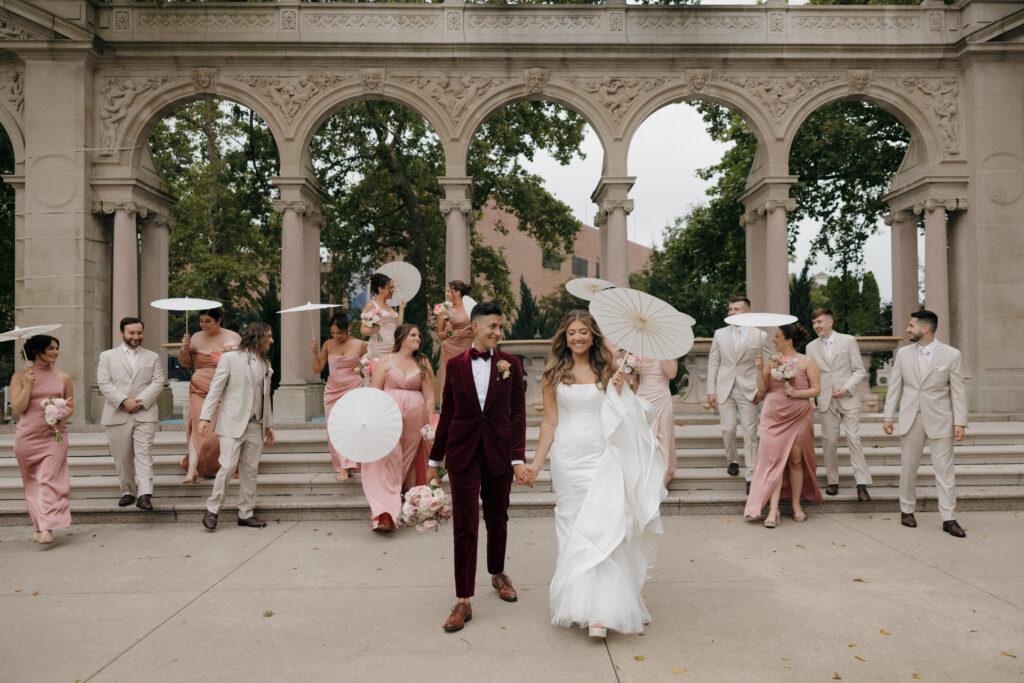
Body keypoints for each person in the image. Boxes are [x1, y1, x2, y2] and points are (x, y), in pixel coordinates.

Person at [526, 310, 665, 638]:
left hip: (602, 456)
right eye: (572, 332)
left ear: (593, 336)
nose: (577, 337)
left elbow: (630, 415)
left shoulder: (609, 371)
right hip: (567, 458)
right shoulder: (553, 373)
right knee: (572, 524)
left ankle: (603, 611)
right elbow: (550, 421)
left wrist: (620, 390)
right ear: (564, 337)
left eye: (583, 332)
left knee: (604, 526)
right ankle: (579, 604)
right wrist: (536, 462)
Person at [426, 302, 530, 633]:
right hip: (463, 453)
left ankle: (498, 573)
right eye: (493, 326)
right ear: (474, 328)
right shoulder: (455, 365)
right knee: (465, 525)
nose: (499, 332)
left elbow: (518, 414)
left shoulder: (511, 364)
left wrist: (517, 458)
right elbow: (447, 413)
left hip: (499, 453)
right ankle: (463, 600)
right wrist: (434, 461)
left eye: (500, 326)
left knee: (498, 517)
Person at [883, 310, 968, 537]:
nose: (908, 329)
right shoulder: (903, 354)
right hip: (911, 419)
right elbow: (895, 386)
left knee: (945, 471)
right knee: (908, 468)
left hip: (941, 419)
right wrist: (888, 416)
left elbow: (958, 390)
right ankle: (906, 510)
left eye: (911, 326)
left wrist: (960, 422)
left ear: (925, 328)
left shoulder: (951, 355)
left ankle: (948, 518)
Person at [198, 322, 275, 532]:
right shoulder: (230, 359)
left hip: (256, 424)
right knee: (228, 466)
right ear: (258, 337)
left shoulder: (265, 363)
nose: (271, 340)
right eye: (268, 336)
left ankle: (246, 513)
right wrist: (204, 418)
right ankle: (212, 510)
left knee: (250, 470)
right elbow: (215, 389)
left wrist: (268, 425)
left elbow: (265, 397)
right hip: (232, 422)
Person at [744, 324, 822, 527]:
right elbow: (763, 390)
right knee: (774, 461)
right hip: (774, 415)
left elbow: (816, 389)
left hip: (798, 415)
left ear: (788, 340)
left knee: (796, 460)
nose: (773, 340)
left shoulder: (807, 361)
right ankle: (773, 509)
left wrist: (797, 393)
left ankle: (796, 505)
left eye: (777, 336)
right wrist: (759, 370)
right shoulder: (772, 360)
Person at [367, 324, 435, 531]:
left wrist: (430, 423)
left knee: (412, 459)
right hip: (389, 418)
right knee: (389, 459)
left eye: (419, 335)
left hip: (416, 418)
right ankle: (385, 511)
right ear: (402, 338)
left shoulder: (423, 362)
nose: (418, 338)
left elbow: (429, 395)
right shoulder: (386, 361)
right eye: (413, 335)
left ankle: (409, 508)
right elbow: (374, 392)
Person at [96, 317, 166, 510]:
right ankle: (127, 491)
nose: (136, 337)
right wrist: (124, 401)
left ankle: (144, 494)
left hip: (145, 413)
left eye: (139, 333)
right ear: (122, 333)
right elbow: (104, 382)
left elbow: (158, 382)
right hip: (116, 413)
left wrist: (139, 401)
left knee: (144, 454)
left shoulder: (153, 357)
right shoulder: (107, 356)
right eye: (132, 333)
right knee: (122, 456)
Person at [10, 334, 73, 544]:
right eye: (51, 348)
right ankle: (39, 526)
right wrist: (28, 385)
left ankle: (47, 527)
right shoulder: (19, 377)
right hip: (27, 437)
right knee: (32, 483)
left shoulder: (63, 377)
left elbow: (70, 406)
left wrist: (62, 417)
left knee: (49, 480)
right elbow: (19, 409)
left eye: (57, 348)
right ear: (37, 351)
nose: (56, 352)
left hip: (54, 436)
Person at [806, 308, 871, 501]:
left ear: (830, 322)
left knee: (854, 439)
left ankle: (862, 484)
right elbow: (811, 375)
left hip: (848, 398)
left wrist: (847, 388)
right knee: (829, 442)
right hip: (825, 400)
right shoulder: (811, 347)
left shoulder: (848, 341)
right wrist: (810, 398)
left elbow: (859, 370)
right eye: (814, 323)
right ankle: (832, 481)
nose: (816, 326)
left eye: (819, 322)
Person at [707, 296, 768, 492]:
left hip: (750, 390)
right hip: (724, 388)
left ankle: (751, 475)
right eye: (730, 309)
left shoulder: (760, 336)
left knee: (750, 433)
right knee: (728, 429)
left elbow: (767, 365)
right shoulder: (720, 334)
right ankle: (732, 460)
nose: (731, 312)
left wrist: (763, 388)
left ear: (747, 312)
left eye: (736, 309)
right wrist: (711, 390)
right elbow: (713, 363)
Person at [178, 308, 241, 483]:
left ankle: (218, 464)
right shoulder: (195, 337)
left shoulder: (233, 337)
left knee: (216, 432)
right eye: (201, 321)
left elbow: (241, 364)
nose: (203, 325)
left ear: (218, 320)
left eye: (207, 321)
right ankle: (192, 469)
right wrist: (184, 349)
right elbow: (186, 363)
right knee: (199, 427)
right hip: (199, 389)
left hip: (223, 388)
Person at [312, 313, 367, 482]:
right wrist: (314, 352)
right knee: (333, 429)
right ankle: (343, 464)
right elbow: (317, 369)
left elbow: (366, 368)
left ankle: (346, 466)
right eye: (333, 333)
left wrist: (361, 369)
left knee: (350, 427)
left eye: (339, 333)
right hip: (332, 390)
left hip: (353, 388)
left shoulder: (360, 344)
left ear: (347, 328)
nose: (336, 336)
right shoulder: (327, 344)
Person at [635, 357, 679, 485]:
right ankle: (645, 476)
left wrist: (660, 356)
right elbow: (634, 378)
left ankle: (660, 480)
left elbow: (672, 374)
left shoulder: (667, 352)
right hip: (642, 398)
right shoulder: (639, 351)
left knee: (662, 438)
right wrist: (630, 367)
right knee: (643, 438)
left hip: (661, 397)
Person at [435, 279, 474, 395]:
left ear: (457, 293)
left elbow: (479, 331)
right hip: (450, 349)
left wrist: (466, 334)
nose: (446, 294)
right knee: (451, 380)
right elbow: (440, 334)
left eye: (448, 291)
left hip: (468, 349)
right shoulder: (445, 309)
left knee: (468, 380)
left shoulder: (470, 308)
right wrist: (447, 333)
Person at [361, 273, 405, 363]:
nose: (393, 290)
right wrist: (370, 330)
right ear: (380, 289)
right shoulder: (371, 305)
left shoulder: (390, 307)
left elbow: (398, 327)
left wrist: (401, 308)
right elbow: (362, 329)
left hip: (393, 346)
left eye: (393, 287)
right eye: (390, 288)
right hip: (378, 347)